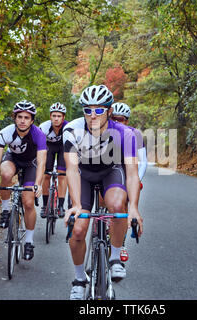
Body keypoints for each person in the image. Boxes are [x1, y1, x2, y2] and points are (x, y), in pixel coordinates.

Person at [63, 85, 143, 300]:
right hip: (84, 174)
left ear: (109, 111)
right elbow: (71, 169)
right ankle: (79, 279)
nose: (93, 115)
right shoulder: (71, 130)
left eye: (99, 110)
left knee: (118, 207)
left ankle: (115, 257)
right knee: (78, 230)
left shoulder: (124, 133)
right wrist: (76, 205)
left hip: (111, 171)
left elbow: (132, 173)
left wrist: (133, 207)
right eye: (87, 110)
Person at [0, 100, 47, 261]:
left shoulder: (38, 134)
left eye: (26, 118)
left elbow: (41, 162)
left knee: (28, 202)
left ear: (32, 120)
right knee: (5, 175)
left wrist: (37, 184)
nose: (22, 120)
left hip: (31, 164)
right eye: (19, 117)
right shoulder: (5, 133)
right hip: (13, 159)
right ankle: (5, 210)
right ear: (14, 118)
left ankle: (29, 241)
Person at [110, 102, 147, 261]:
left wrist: (137, 180)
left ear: (127, 120)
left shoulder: (134, 134)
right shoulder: (105, 132)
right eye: (114, 118)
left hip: (127, 170)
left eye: (122, 119)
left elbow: (143, 161)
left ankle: (121, 244)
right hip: (109, 171)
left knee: (124, 205)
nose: (118, 122)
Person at [39, 102, 68, 219]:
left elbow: (73, 145)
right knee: (46, 175)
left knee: (62, 175)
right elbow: (39, 145)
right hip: (49, 147)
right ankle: (45, 205)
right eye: (54, 116)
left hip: (63, 147)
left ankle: (61, 206)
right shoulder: (44, 127)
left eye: (59, 116)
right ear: (50, 116)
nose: (56, 119)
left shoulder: (68, 127)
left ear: (63, 117)